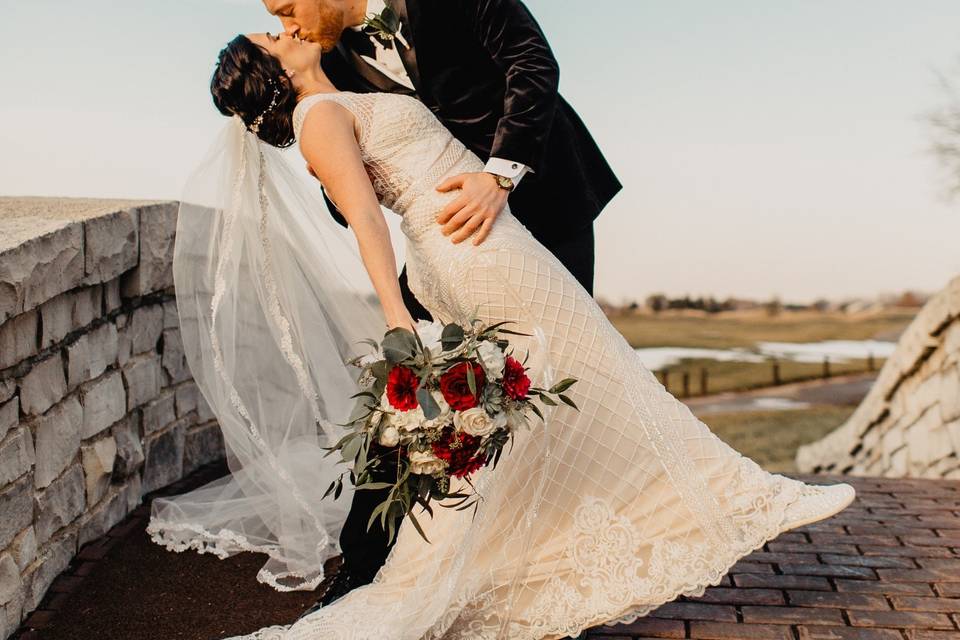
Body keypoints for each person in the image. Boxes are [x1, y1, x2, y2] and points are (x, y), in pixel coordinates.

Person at [149, 29, 855, 640]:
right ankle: (746, 494)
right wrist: (399, 322)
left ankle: (515, 555)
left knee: (568, 388)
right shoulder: (319, 116)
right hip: (471, 251)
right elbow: (366, 219)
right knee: (604, 368)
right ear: (269, 71)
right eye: (270, 39)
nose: (284, 29)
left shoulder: (335, 95)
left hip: (489, 238)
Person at [260, 0, 623, 599]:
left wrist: (499, 173)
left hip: (543, 195)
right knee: (406, 387)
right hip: (448, 242)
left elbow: (530, 62)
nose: (289, 25)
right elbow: (357, 187)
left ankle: (562, 566)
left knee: (565, 376)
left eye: (287, 6)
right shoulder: (331, 67)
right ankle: (362, 564)